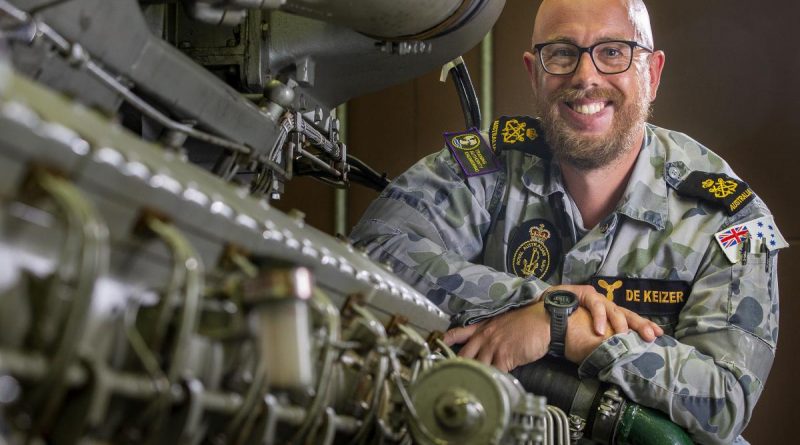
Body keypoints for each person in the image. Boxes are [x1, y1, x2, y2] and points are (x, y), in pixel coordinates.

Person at [350, 0, 786, 443]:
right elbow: (372, 251)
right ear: (533, 72)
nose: (585, 76)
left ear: (651, 74)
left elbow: (724, 400)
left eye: (613, 52)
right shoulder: (487, 166)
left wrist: (566, 329)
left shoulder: (728, 216)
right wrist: (538, 303)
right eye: (561, 53)